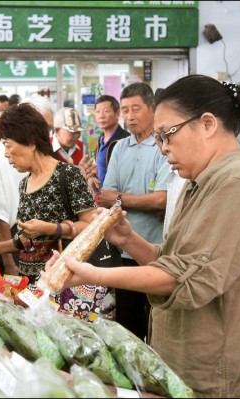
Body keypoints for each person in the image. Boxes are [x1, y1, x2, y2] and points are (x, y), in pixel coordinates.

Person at [43, 74, 240, 397]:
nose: (164, 149)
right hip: (201, 362)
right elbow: (177, 261)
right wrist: (128, 240)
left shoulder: (239, 182)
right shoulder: (204, 181)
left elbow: (188, 279)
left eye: (167, 135)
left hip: (227, 370)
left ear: (207, 124)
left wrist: (92, 274)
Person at [0, 102, 106, 321]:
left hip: (63, 286)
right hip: (31, 288)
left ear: (30, 142)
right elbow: (28, 239)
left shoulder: (68, 175)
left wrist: (52, 228)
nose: (6, 154)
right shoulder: (23, 184)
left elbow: (92, 227)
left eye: (8, 145)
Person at [98, 82, 170, 341]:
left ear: (152, 108)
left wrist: (119, 199)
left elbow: (161, 200)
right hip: (122, 251)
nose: (129, 116)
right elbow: (105, 198)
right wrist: (140, 200)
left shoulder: (164, 147)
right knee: (127, 327)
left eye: (135, 109)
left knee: (157, 323)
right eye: (125, 110)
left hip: (156, 250)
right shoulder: (120, 148)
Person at [0, 95, 56, 275]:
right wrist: (10, 263)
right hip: (10, 245)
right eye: (46, 128)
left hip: (37, 241)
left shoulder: (43, 159)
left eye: (50, 129)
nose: (48, 135)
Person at [91, 95, 130, 193]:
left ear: (117, 113)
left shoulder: (126, 139)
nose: (101, 116)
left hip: (118, 198)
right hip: (102, 197)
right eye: (98, 112)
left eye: (106, 111)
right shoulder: (100, 139)